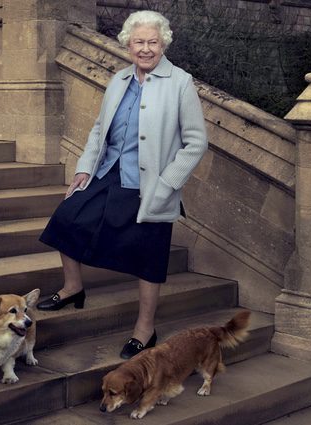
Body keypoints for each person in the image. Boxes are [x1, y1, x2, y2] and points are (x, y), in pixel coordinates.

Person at [37, 10, 208, 360]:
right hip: (109, 172)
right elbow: (100, 129)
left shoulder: (180, 82)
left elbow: (196, 142)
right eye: (138, 42)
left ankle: (145, 329)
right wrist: (84, 169)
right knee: (66, 219)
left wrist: (168, 184)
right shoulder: (118, 80)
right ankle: (73, 288)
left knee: (148, 255)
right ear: (128, 44)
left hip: (151, 184)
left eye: (152, 42)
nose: (145, 49)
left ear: (163, 44)